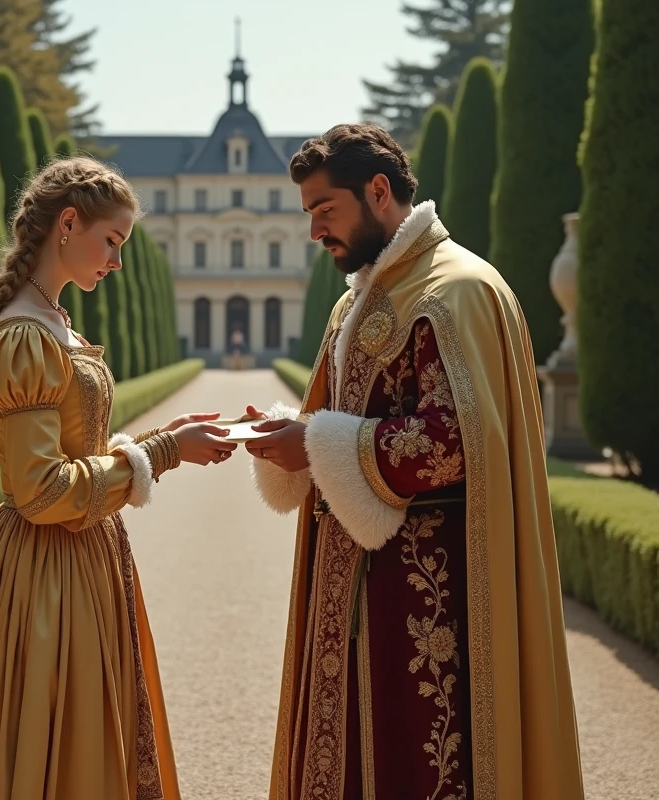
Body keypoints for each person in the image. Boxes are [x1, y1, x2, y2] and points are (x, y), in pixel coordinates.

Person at [0, 157, 237, 800]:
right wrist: (163, 451)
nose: (117, 262)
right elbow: (42, 492)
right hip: (44, 571)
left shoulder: (51, 321)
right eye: (112, 241)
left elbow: (75, 444)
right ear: (68, 223)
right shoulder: (26, 334)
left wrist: (153, 443)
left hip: (80, 558)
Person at [245, 124, 584, 799]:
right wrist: (297, 435)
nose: (314, 232)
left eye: (325, 210)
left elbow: (452, 442)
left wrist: (315, 443)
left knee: (421, 760)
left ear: (379, 192)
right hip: (358, 581)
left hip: (432, 597)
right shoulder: (359, 298)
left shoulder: (453, 291)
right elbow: (344, 418)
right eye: (308, 213)